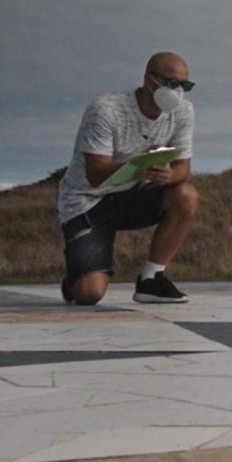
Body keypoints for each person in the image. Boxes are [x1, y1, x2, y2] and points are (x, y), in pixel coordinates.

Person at [57, 52, 199, 305]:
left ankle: (151, 279)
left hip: (133, 193)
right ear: (148, 79)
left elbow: (183, 169)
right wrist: (136, 164)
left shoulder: (184, 112)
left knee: (185, 194)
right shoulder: (106, 109)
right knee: (89, 294)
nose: (178, 92)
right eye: (172, 83)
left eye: (185, 86)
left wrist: (168, 175)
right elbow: (95, 174)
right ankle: (75, 278)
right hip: (87, 199)